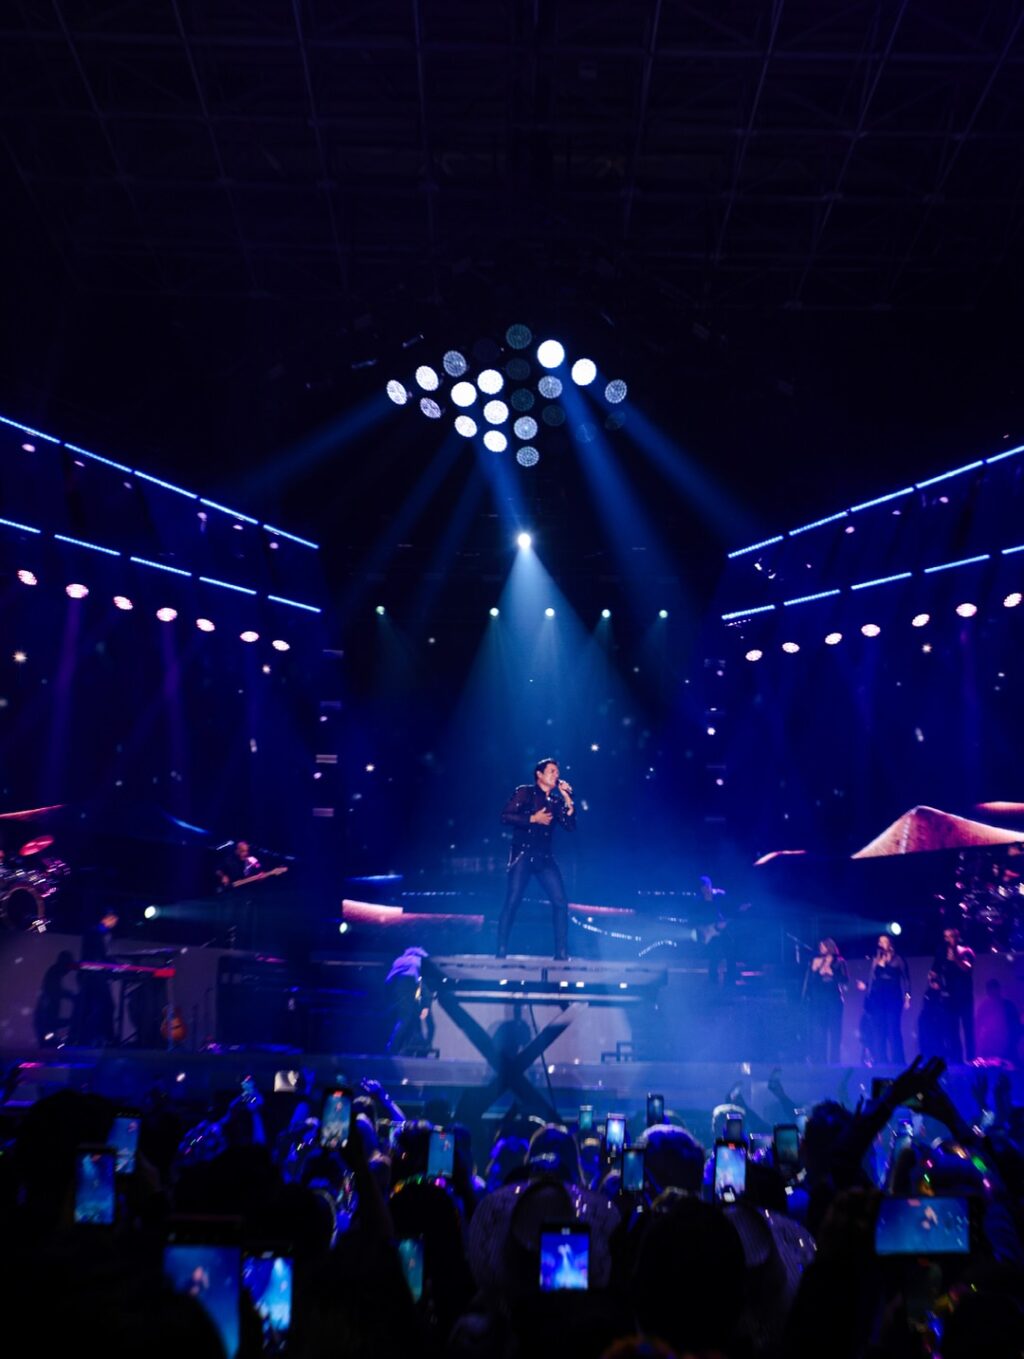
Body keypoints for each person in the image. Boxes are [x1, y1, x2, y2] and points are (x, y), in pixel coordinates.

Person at [495, 758, 576, 959]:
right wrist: (532, 818)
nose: (556, 775)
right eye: (552, 771)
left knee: (560, 902)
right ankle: (501, 950)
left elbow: (569, 826)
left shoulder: (555, 802)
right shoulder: (525, 792)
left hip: (544, 858)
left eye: (557, 772)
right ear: (539, 774)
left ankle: (561, 953)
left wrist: (567, 799)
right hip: (523, 854)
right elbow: (505, 816)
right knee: (513, 901)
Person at [857, 933, 910, 1065]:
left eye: (884, 941)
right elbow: (873, 979)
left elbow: (906, 979)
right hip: (877, 999)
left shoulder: (898, 959)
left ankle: (898, 1061)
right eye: (879, 942)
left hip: (893, 999)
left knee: (893, 1030)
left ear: (890, 943)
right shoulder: (876, 959)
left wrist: (907, 997)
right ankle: (881, 1061)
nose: (881, 944)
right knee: (879, 1030)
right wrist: (866, 986)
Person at [73, 910, 119, 1046]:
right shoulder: (98, 932)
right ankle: (106, 1038)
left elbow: (103, 954)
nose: (115, 923)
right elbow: (100, 955)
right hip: (94, 974)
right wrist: (115, 965)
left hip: (92, 973)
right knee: (105, 1006)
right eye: (114, 920)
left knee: (90, 1008)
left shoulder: (100, 932)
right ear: (108, 918)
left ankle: (86, 1039)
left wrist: (114, 964)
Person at [802, 938, 848, 1064]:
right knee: (820, 1031)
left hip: (834, 1000)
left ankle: (835, 1060)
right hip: (819, 1001)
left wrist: (832, 972)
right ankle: (820, 1060)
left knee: (835, 1030)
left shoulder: (839, 961)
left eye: (823, 947)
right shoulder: (816, 961)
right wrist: (814, 970)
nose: (821, 949)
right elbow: (811, 983)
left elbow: (845, 980)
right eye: (820, 947)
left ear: (830, 947)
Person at [933, 927, 976, 1062]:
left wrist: (956, 959)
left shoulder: (966, 951)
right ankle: (957, 1058)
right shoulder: (942, 954)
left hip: (964, 996)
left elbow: (967, 968)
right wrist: (934, 981)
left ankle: (971, 1058)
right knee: (952, 1028)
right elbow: (934, 971)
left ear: (957, 937)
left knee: (968, 1028)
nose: (948, 939)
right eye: (946, 936)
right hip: (949, 997)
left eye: (951, 936)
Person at [33, 949, 77, 1046]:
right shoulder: (54, 974)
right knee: (49, 1043)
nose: (68, 970)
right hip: (45, 1028)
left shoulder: (54, 973)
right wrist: (71, 1021)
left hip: (44, 1026)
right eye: (68, 966)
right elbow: (50, 1021)